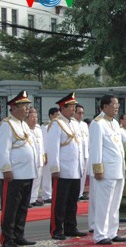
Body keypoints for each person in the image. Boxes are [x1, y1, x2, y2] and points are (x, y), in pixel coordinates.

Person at [46, 93, 87, 240]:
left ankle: (71, 226)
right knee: (60, 202)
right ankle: (57, 229)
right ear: (63, 107)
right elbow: (53, 148)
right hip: (63, 170)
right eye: (71, 107)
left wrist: (81, 165)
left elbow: (79, 147)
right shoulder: (56, 124)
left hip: (75, 169)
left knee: (72, 201)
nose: (73, 109)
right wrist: (55, 168)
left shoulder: (74, 123)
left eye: (75, 107)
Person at [88, 94, 126, 245]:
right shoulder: (98, 124)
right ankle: (100, 234)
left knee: (114, 204)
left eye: (117, 104)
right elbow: (95, 148)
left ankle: (112, 231)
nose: (117, 107)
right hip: (105, 171)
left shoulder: (115, 123)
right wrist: (98, 169)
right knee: (103, 204)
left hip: (117, 169)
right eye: (114, 104)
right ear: (105, 107)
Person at [0, 91, 37, 246]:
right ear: (14, 108)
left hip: (27, 173)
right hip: (14, 174)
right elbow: (3, 149)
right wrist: (6, 169)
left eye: (28, 106)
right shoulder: (7, 125)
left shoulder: (23, 125)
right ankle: (8, 238)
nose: (27, 109)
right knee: (10, 208)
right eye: (24, 106)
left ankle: (19, 235)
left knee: (22, 207)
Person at [41, 108, 60, 204]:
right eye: (57, 114)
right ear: (51, 115)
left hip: (55, 153)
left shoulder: (59, 125)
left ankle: (52, 193)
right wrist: (45, 155)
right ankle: (46, 195)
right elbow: (44, 142)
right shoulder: (45, 127)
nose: (58, 117)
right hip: (47, 153)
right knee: (47, 175)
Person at [27, 107, 45, 208]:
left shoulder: (38, 128)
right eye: (32, 117)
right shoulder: (25, 128)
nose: (35, 119)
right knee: (31, 180)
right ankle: (28, 199)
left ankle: (33, 198)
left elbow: (42, 144)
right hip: (30, 160)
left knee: (38, 179)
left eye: (36, 117)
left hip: (39, 158)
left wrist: (44, 156)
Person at [74, 104, 90, 201]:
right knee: (77, 174)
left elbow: (87, 139)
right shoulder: (73, 123)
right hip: (78, 154)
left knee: (83, 175)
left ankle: (80, 193)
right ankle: (76, 193)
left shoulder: (84, 125)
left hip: (85, 153)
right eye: (79, 113)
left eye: (82, 113)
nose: (81, 115)